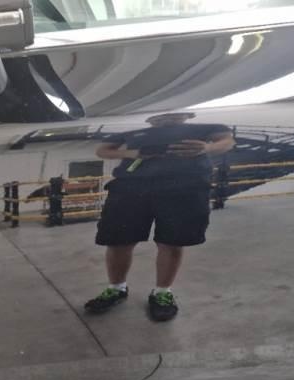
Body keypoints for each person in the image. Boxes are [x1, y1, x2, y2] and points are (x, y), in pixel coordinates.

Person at [85, 112, 235, 321]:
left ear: (187, 114)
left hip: (184, 187)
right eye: (159, 116)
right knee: (118, 240)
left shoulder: (205, 127)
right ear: (149, 118)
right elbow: (102, 150)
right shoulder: (133, 132)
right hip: (130, 187)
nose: (165, 118)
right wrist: (132, 153)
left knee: (172, 242)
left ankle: (162, 292)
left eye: (172, 114)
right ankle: (117, 288)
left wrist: (206, 148)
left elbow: (227, 141)